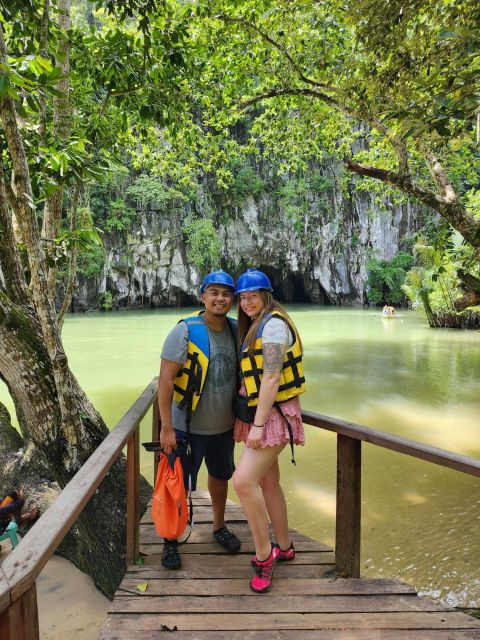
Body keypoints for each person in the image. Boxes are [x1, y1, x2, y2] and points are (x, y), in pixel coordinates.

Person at [158, 270, 241, 569]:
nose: (220, 298)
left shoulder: (235, 330)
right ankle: (170, 539)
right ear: (202, 296)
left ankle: (218, 526)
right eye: (214, 293)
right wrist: (167, 427)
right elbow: (165, 381)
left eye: (226, 293)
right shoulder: (185, 331)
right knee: (176, 484)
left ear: (233, 299)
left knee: (220, 479)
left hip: (223, 427)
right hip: (186, 426)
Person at [232, 269, 306, 593]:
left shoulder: (274, 326)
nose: (247, 302)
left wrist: (258, 426)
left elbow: (272, 378)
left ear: (266, 296)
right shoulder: (257, 325)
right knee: (268, 481)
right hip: (266, 412)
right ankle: (286, 545)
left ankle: (266, 555)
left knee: (243, 481)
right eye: (243, 297)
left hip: (274, 416)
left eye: (253, 296)